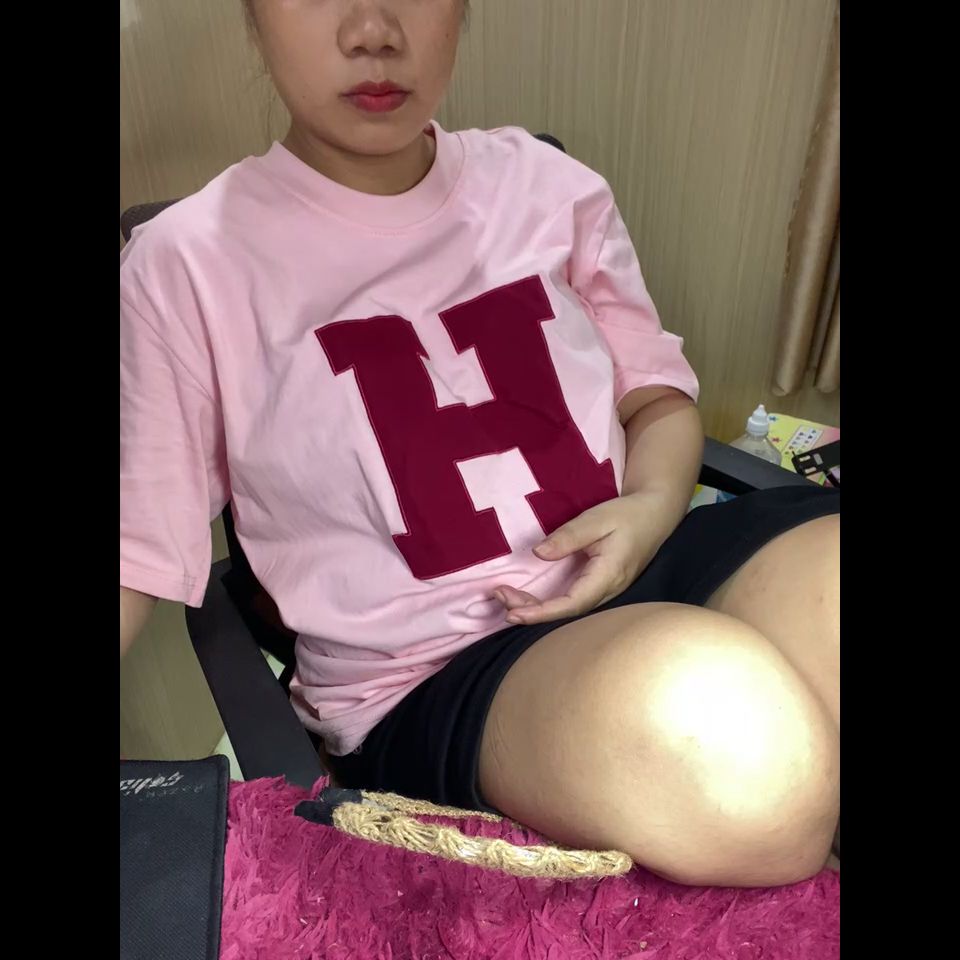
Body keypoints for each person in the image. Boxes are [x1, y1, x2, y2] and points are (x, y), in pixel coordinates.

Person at [120, 0, 839, 888]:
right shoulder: (185, 266)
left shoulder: (546, 184)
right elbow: (136, 554)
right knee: (749, 766)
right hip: (437, 669)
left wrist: (653, 507)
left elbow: (656, 399)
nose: (372, 30)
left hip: (651, 554)